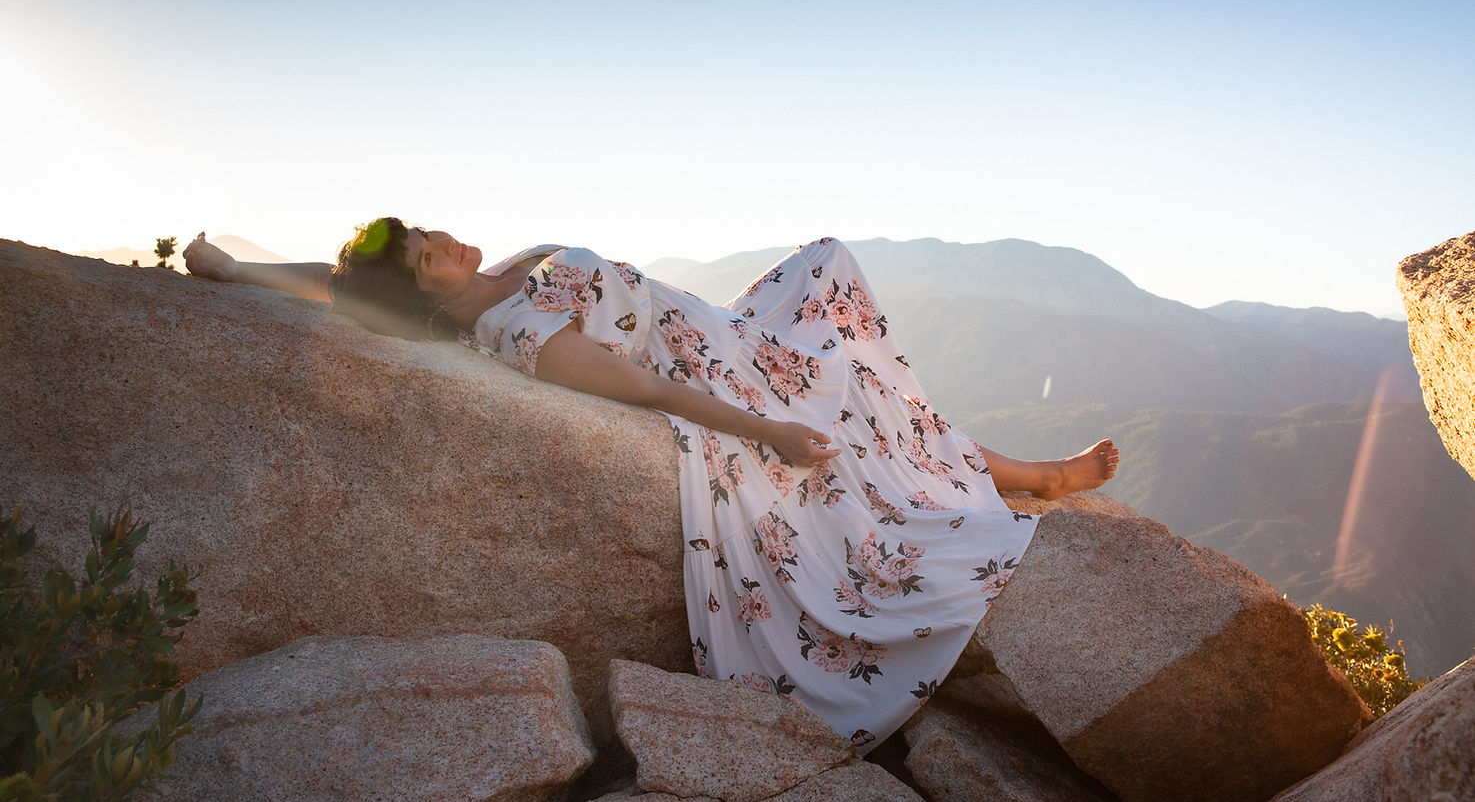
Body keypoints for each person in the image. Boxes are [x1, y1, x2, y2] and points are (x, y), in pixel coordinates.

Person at [183, 223, 1118, 750]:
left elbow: (341, 284)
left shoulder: (500, 278)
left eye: (427, 230)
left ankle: (1011, 466)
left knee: (829, 270)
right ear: (427, 296)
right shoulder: (517, 331)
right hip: (729, 383)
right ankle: (1026, 473)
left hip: (733, 330)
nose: (443, 237)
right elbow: (635, 385)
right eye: (430, 255)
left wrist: (233, 263)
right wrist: (765, 431)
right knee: (854, 393)